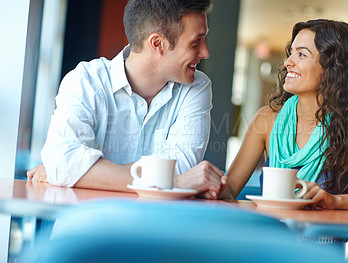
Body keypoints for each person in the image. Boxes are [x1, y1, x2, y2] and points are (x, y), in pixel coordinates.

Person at [27, 0, 225, 199]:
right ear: (157, 43)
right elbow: (180, 178)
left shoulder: (196, 87)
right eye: (195, 42)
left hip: (156, 227)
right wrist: (172, 182)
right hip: (86, 226)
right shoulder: (85, 81)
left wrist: (79, 172)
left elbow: (182, 168)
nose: (205, 52)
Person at [221, 19, 348, 210]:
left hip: (322, 239)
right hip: (270, 236)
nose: (288, 62)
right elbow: (229, 190)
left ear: (332, 67)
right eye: (291, 53)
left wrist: (336, 201)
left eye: (301, 54)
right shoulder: (266, 119)